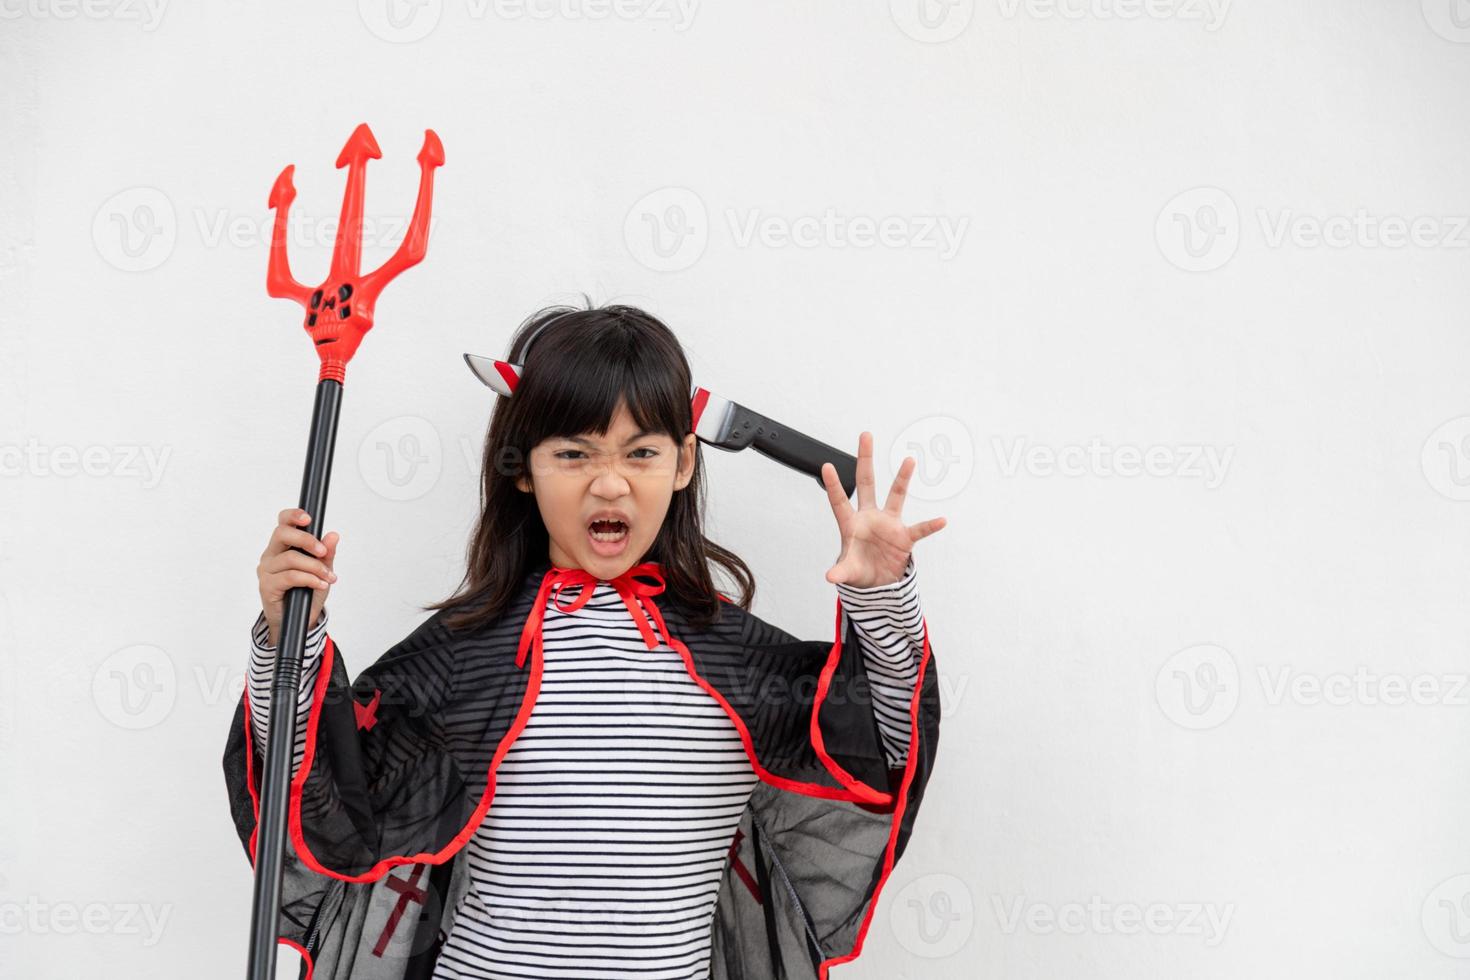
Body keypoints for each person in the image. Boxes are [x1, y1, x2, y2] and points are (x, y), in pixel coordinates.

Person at [224, 302, 947, 980]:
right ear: (524, 471)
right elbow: (318, 793)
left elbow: (883, 754)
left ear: (684, 463)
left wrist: (880, 597)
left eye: (640, 454)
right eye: (573, 454)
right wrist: (290, 640)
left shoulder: (737, 662)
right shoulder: (462, 656)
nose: (609, 485)